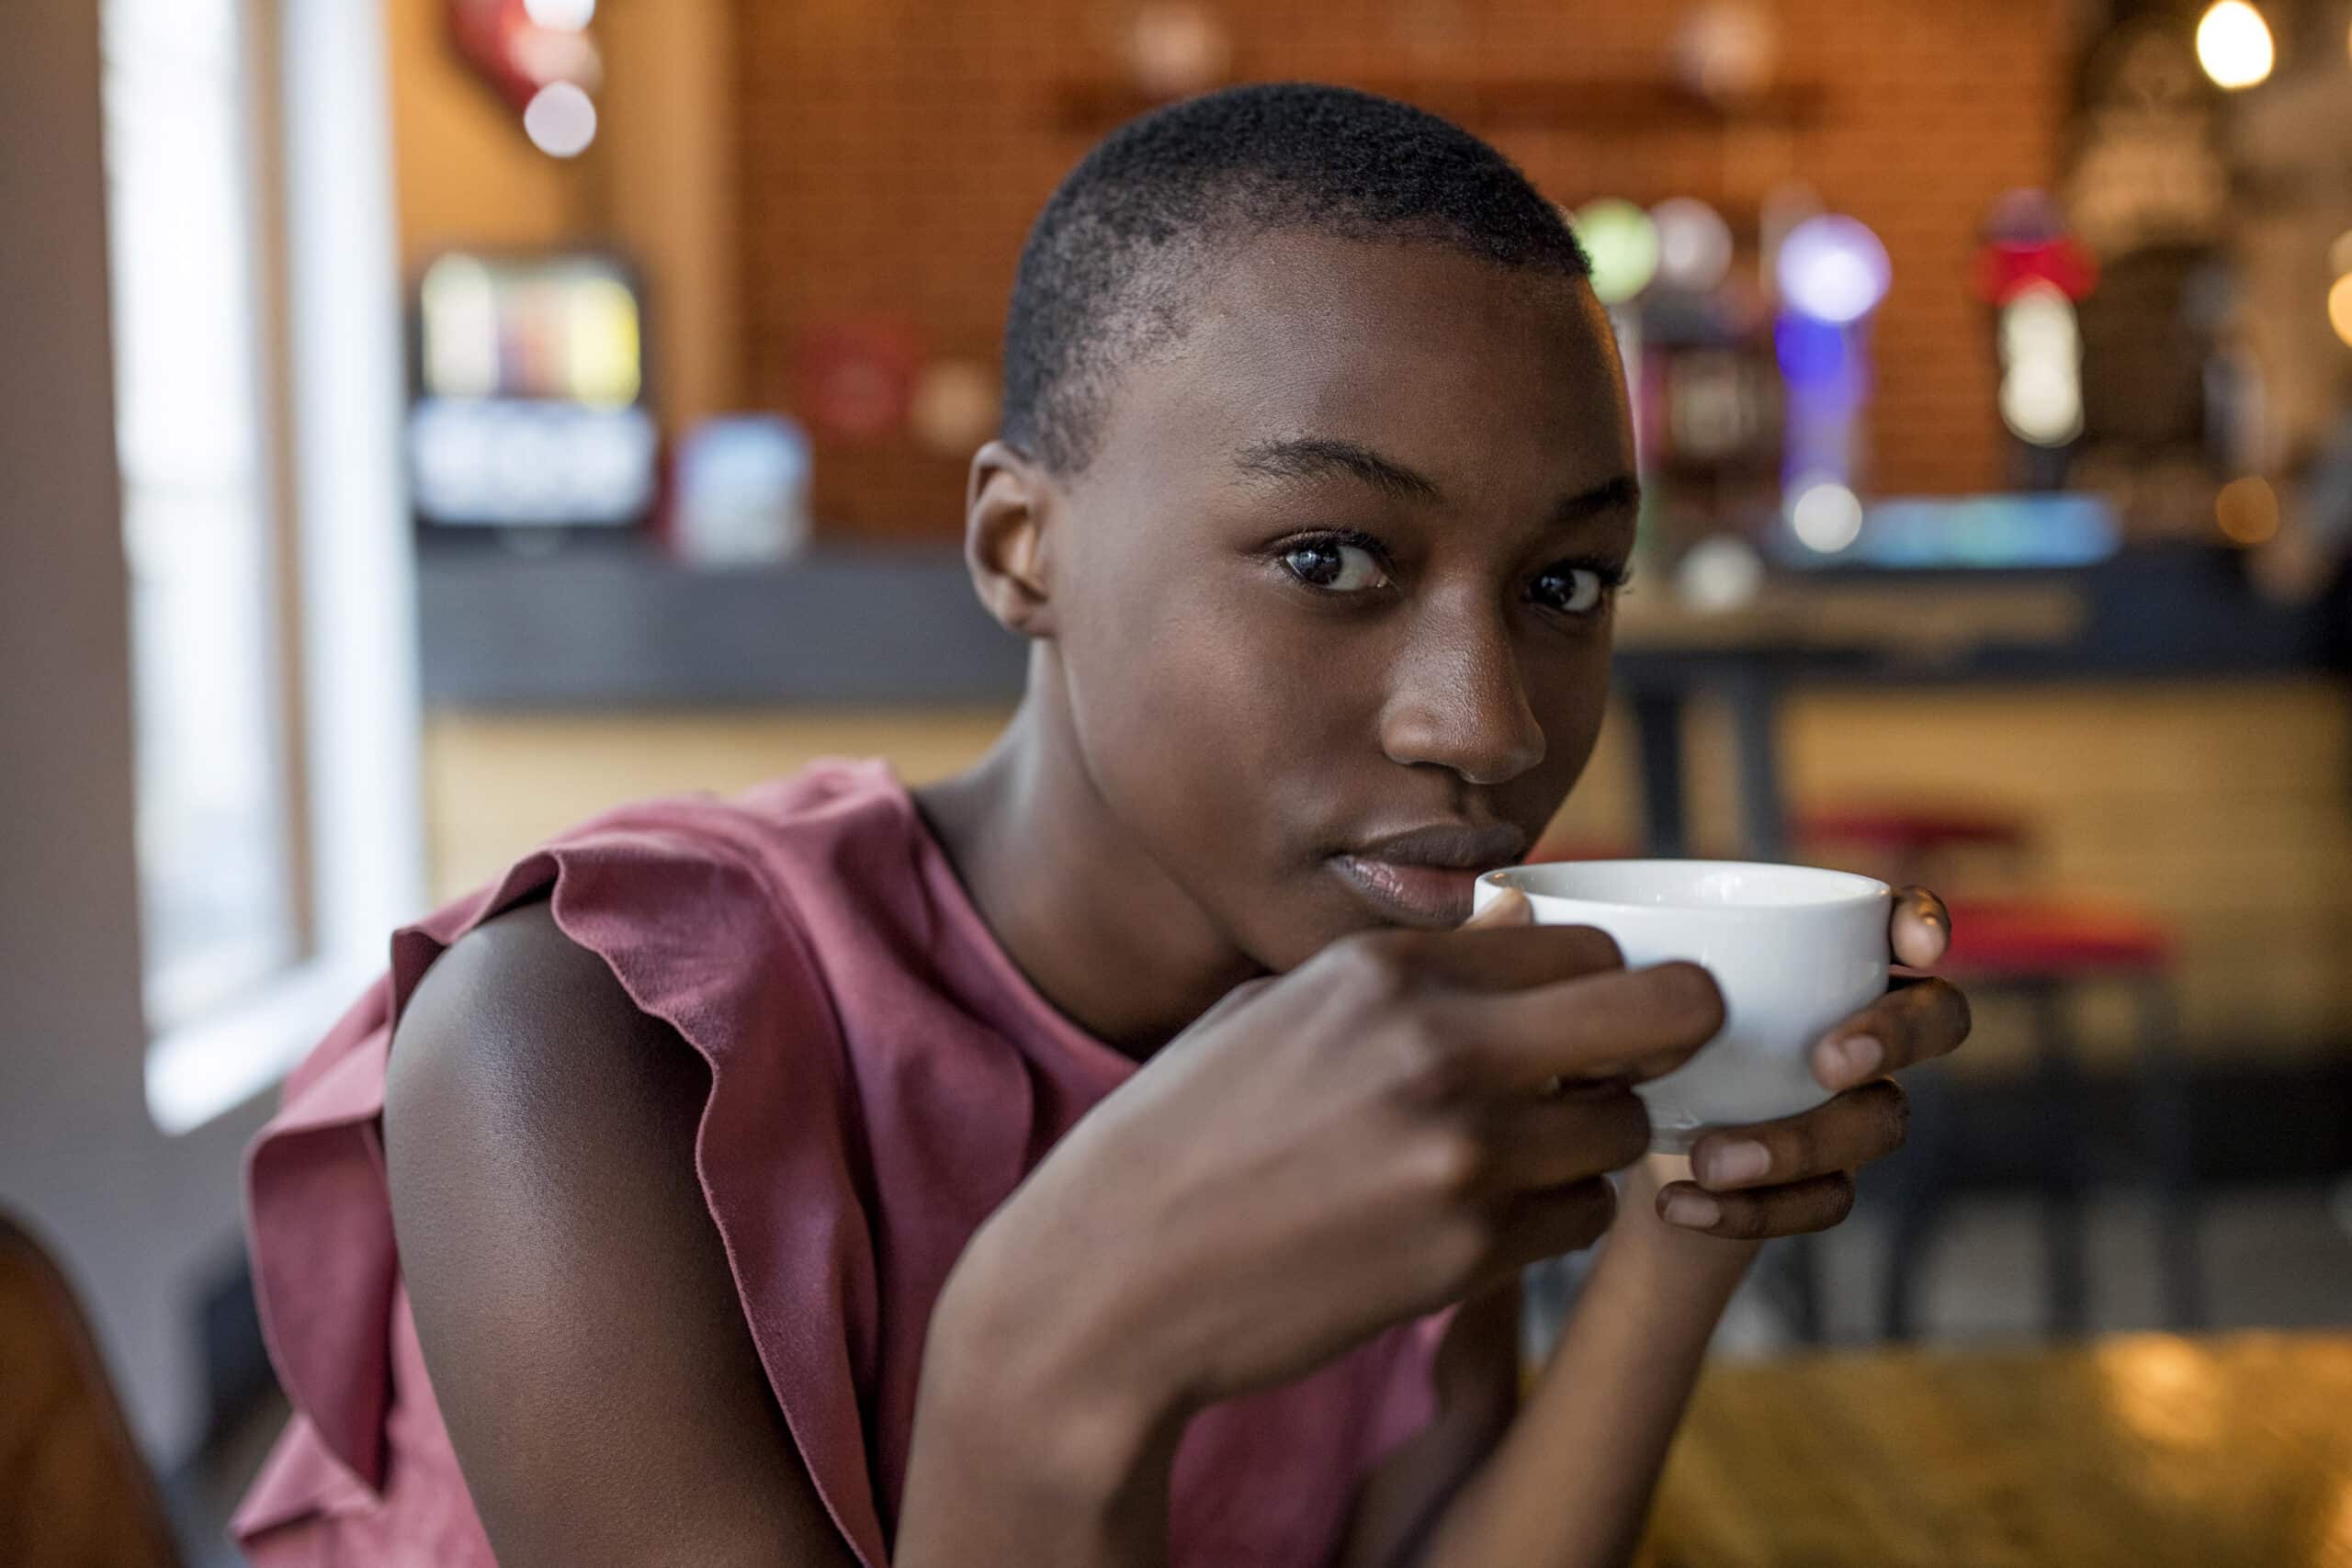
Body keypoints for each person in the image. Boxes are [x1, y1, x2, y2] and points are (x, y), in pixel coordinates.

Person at [233, 83, 1966, 1567]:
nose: (1491, 725)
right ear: (1020, 548)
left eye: (1566, 581)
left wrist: (1692, 1198)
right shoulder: (581, 1047)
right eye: (1328, 559)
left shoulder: (1395, 1014)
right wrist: (1053, 1359)